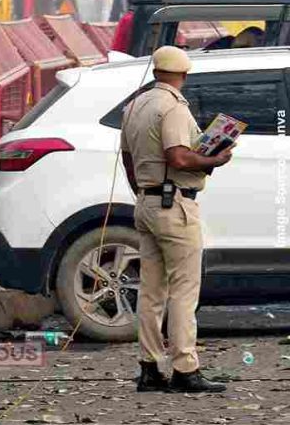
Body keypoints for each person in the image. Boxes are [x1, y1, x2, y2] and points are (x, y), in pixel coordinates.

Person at [120, 46, 233, 393]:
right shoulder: (172, 106)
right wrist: (216, 159)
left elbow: (127, 158)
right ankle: (186, 368)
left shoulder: (134, 105)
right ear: (183, 75)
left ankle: (150, 368)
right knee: (184, 291)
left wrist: (144, 191)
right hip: (175, 206)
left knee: (152, 291)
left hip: (147, 203)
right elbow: (179, 157)